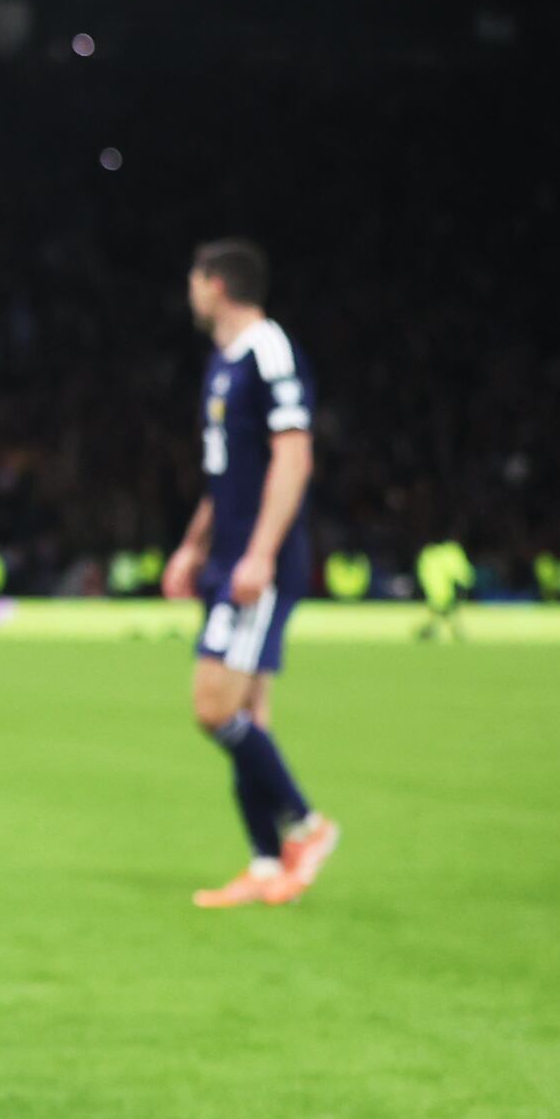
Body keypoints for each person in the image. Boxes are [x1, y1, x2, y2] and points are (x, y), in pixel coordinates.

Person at [163, 239, 340, 907]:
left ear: (216, 285)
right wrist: (192, 545)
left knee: (214, 707)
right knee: (249, 718)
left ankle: (308, 826)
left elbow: (293, 457)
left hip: (255, 562)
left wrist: (260, 553)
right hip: (229, 556)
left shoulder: (269, 351)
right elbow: (227, 475)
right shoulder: (225, 361)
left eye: (194, 279)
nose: (189, 291)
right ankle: (267, 865)